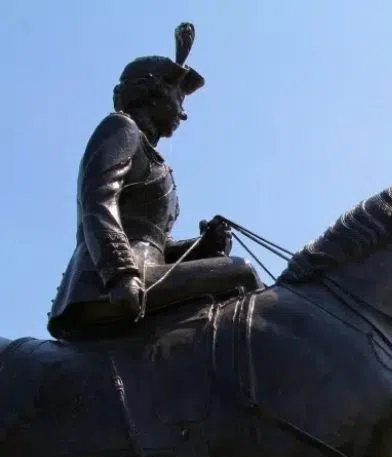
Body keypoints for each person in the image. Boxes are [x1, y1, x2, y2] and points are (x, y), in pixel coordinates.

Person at [48, 23, 262, 341]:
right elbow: (98, 201)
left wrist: (202, 246)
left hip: (145, 272)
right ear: (153, 92)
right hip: (106, 281)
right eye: (178, 98)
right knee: (241, 271)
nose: (183, 113)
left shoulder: (154, 160)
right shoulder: (121, 128)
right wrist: (120, 272)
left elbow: (154, 248)